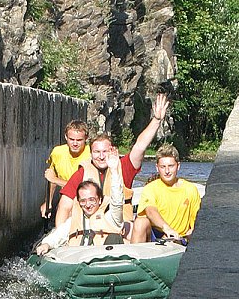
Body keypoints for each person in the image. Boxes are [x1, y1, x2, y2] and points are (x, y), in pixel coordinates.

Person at [52, 93, 170, 228]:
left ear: (113, 151)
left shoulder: (124, 166)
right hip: (92, 228)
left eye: (105, 151)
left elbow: (140, 146)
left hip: (120, 227)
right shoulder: (82, 173)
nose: (101, 156)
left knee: (136, 227)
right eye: (97, 152)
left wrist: (156, 120)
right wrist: (60, 236)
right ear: (90, 153)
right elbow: (64, 206)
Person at [35, 147, 126, 255]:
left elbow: (117, 200)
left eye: (92, 200)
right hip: (80, 262)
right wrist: (47, 244)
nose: (88, 205)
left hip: (106, 259)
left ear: (100, 199)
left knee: (114, 238)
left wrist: (115, 170)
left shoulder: (112, 216)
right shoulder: (74, 220)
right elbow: (58, 235)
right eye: (83, 201)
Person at [130, 144, 201, 244]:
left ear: (178, 166)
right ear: (157, 168)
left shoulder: (190, 189)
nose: (167, 171)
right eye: (163, 167)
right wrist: (166, 229)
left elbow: (197, 220)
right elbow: (150, 211)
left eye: (171, 166)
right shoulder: (150, 188)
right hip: (157, 236)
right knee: (140, 222)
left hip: (180, 238)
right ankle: (136, 256)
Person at [40, 120, 90, 219]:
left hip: (86, 203)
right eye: (71, 139)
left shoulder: (91, 155)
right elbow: (52, 178)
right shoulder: (57, 152)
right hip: (65, 202)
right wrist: (48, 202)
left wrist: (55, 179)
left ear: (86, 139)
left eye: (79, 140)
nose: (75, 143)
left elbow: (82, 187)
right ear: (66, 137)